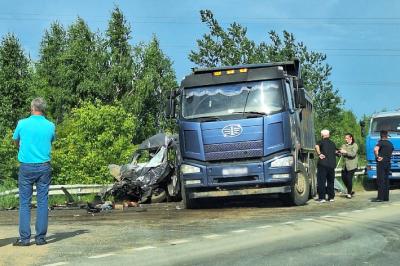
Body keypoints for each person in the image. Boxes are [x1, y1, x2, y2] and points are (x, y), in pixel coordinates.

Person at [12, 98, 56, 246]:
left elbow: (15, 141)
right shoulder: (50, 125)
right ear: (43, 109)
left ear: (32, 108)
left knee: (25, 202)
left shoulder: (22, 123)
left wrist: (20, 149)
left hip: (26, 166)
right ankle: (40, 238)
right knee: (43, 201)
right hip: (44, 166)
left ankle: (25, 239)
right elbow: (50, 141)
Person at [315, 129, 337, 203]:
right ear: (329, 135)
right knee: (331, 181)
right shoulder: (333, 143)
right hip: (332, 165)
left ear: (322, 135)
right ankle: (331, 197)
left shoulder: (320, 141)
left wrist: (319, 154)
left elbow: (316, 146)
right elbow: (336, 151)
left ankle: (322, 197)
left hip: (323, 164)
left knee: (322, 181)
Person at [372, 130, 393, 202]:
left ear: (381, 136)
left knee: (381, 180)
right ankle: (386, 197)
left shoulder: (380, 142)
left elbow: (375, 149)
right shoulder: (390, 144)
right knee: (386, 180)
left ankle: (380, 197)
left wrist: (377, 156)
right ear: (387, 136)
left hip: (381, 163)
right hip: (388, 163)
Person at [339, 133, 358, 199]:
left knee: (349, 179)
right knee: (343, 178)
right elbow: (340, 153)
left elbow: (353, 154)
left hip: (352, 165)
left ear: (351, 138)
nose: (345, 139)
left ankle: (349, 193)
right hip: (344, 165)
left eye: (347, 138)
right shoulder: (343, 145)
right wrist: (338, 152)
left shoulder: (354, 145)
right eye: (345, 138)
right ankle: (350, 190)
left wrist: (345, 152)